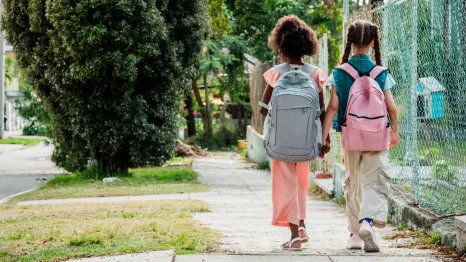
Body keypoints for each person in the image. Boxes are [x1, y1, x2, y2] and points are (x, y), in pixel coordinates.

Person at [322, 20, 399, 252]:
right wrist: (394, 131)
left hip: (350, 135)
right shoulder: (381, 72)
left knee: (353, 182)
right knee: (373, 180)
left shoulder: (339, 72)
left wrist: (323, 137)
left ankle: (354, 235)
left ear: (350, 42)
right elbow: (392, 108)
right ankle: (368, 222)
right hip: (377, 134)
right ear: (373, 42)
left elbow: (333, 106)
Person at [260, 15, 330, 251]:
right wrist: (324, 138)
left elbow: (263, 108)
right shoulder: (315, 74)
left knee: (285, 185)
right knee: (300, 184)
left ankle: (294, 237)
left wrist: (278, 126)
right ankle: (300, 226)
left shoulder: (275, 73)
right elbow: (320, 111)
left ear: (280, 45)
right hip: (306, 142)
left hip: (280, 143)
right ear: (306, 44)